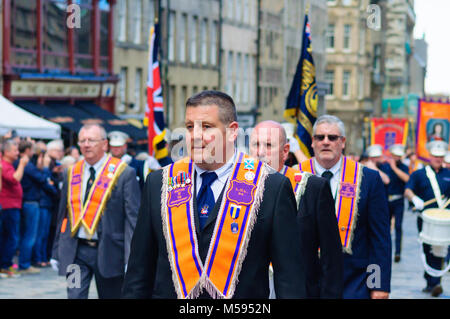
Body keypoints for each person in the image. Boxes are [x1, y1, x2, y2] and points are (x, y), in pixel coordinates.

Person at [121, 90, 305, 299]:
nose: (195, 136)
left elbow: (289, 277)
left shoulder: (271, 186)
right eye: (190, 127)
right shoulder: (159, 183)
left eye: (207, 127)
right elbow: (139, 271)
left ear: (233, 131)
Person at [298, 114, 391, 299]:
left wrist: (378, 284)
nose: (326, 142)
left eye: (332, 137)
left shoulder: (369, 179)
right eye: (320, 137)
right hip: (306, 279)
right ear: (312, 142)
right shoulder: (294, 176)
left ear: (342, 142)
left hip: (353, 280)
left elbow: (379, 239)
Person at [250, 120, 343, 298]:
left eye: (268, 145)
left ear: (285, 151)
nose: (260, 152)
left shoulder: (312, 188)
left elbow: (331, 258)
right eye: (255, 145)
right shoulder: (236, 189)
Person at [51, 124, 140, 299]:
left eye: (91, 140)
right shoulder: (71, 172)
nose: (86, 145)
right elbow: (63, 215)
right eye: (82, 140)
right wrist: (56, 251)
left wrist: (132, 257)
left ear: (104, 144)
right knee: (74, 296)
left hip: (110, 251)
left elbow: (132, 220)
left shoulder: (124, 173)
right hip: (76, 252)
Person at [404, 140, 450, 297]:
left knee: (440, 249)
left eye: (441, 156)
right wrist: (414, 199)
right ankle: (430, 280)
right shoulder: (419, 174)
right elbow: (408, 190)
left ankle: (436, 283)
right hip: (425, 218)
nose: (438, 159)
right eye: (435, 156)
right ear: (430, 156)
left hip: (444, 220)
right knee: (427, 248)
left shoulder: (449, 174)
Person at [0, 139, 28, 278]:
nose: (18, 153)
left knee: (9, 237)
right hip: (8, 206)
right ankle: (5, 265)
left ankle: (5, 264)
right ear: (6, 152)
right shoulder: (4, 166)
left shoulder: (7, 165)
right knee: (11, 237)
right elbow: (15, 178)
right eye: (15, 150)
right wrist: (22, 164)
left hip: (12, 205)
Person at [383, 144, 410, 263]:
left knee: (398, 226)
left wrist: (394, 168)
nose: (396, 158)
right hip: (386, 200)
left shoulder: (404, 167)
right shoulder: (384, 166)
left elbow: (407, 179)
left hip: (398, 200)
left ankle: (397, 252)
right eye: (394, 155)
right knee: (386, 227)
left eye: (398, 156)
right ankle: (386, 250)